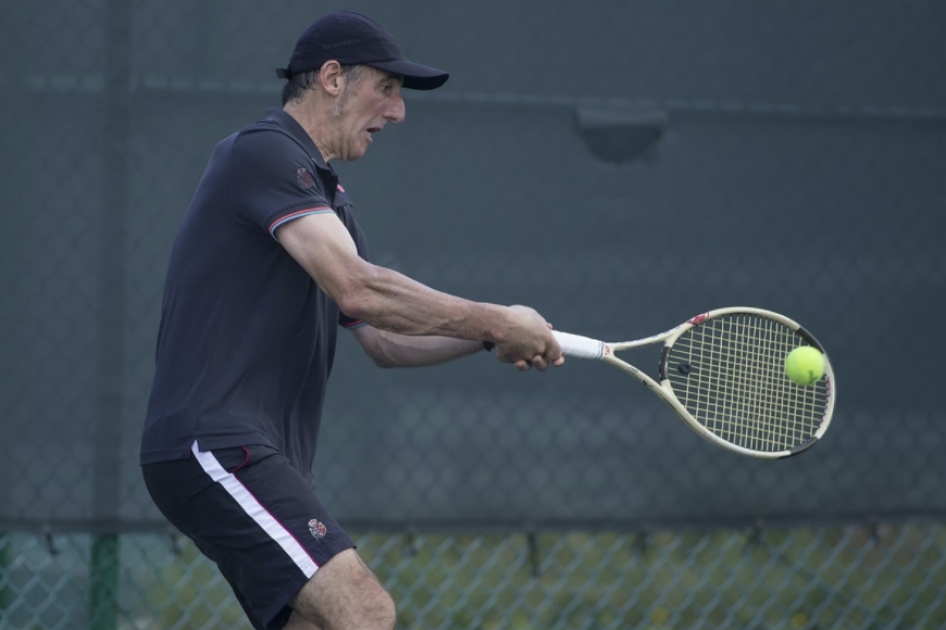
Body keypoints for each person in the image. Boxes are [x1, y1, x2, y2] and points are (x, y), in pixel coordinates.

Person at [140, 10, 563, 630]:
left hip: (251, 455)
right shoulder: (263, 152)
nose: (397, 113)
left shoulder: (326, 197)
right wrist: (498, 320)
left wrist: (484, 339)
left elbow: (384, 339)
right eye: (386, 89)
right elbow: (360, 291)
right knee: (363, 612)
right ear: (332, 78)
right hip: (218, 447)